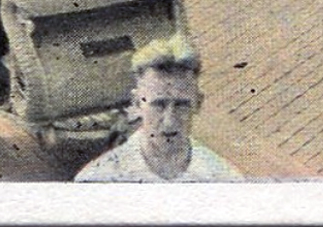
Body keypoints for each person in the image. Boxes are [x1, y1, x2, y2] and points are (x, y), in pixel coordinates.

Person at [74, 34, 241, 182]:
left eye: (181, 105)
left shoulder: (225, 179)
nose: (169, 121)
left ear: (198, 104)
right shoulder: (98, 179)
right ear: (137, 103)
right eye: (158, 105)